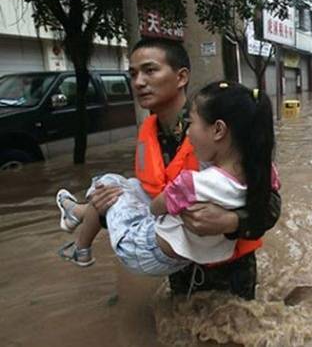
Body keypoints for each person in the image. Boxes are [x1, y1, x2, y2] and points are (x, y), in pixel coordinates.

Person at [63, 38, 281, 300]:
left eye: (150, 70)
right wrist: (101, 208)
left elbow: (269, 202)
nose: (139, 82)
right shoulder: (149, 132)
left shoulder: (215, 127)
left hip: (229, 270)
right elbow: (150, 201)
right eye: (133, 74)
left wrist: (232, 222)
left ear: (181, 77)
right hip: (176, 261)